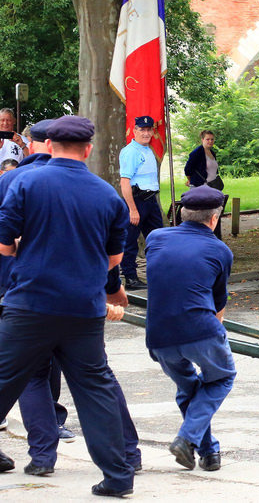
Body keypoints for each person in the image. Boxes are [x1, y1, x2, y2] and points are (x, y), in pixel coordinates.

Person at [0, 115, 136, 497]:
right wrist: (111, 291)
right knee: (95, 390)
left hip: (30, 304)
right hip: (83, 309)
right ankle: (118, 476)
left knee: (4, 379)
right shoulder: (107, 194)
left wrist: (18, 267)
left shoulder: (26, 181)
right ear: (88, 149)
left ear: (48, 147)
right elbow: (114, 258)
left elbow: (4, 241)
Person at [145, 185, 234, 472]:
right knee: (222, 377)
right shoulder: (220, 250)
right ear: (214, 219)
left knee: (190, 388)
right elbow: (218, 303)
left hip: (158, 334)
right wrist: (216, 336)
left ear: (181, 213)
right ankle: (186, 437)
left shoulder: (155, 238)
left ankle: (208, 452)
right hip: (199, 327)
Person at [118, 115, 163, 290]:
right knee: (130, 241)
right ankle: (130, 278)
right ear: (134, 131)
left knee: (157, 239)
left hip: (150, 201)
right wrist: (132, 209)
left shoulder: (147, 149)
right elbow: (125, 182)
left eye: (148, 130)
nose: (146, 133)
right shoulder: (131, 152)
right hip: (136, 201)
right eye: (142, 130)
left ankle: (158, 274)